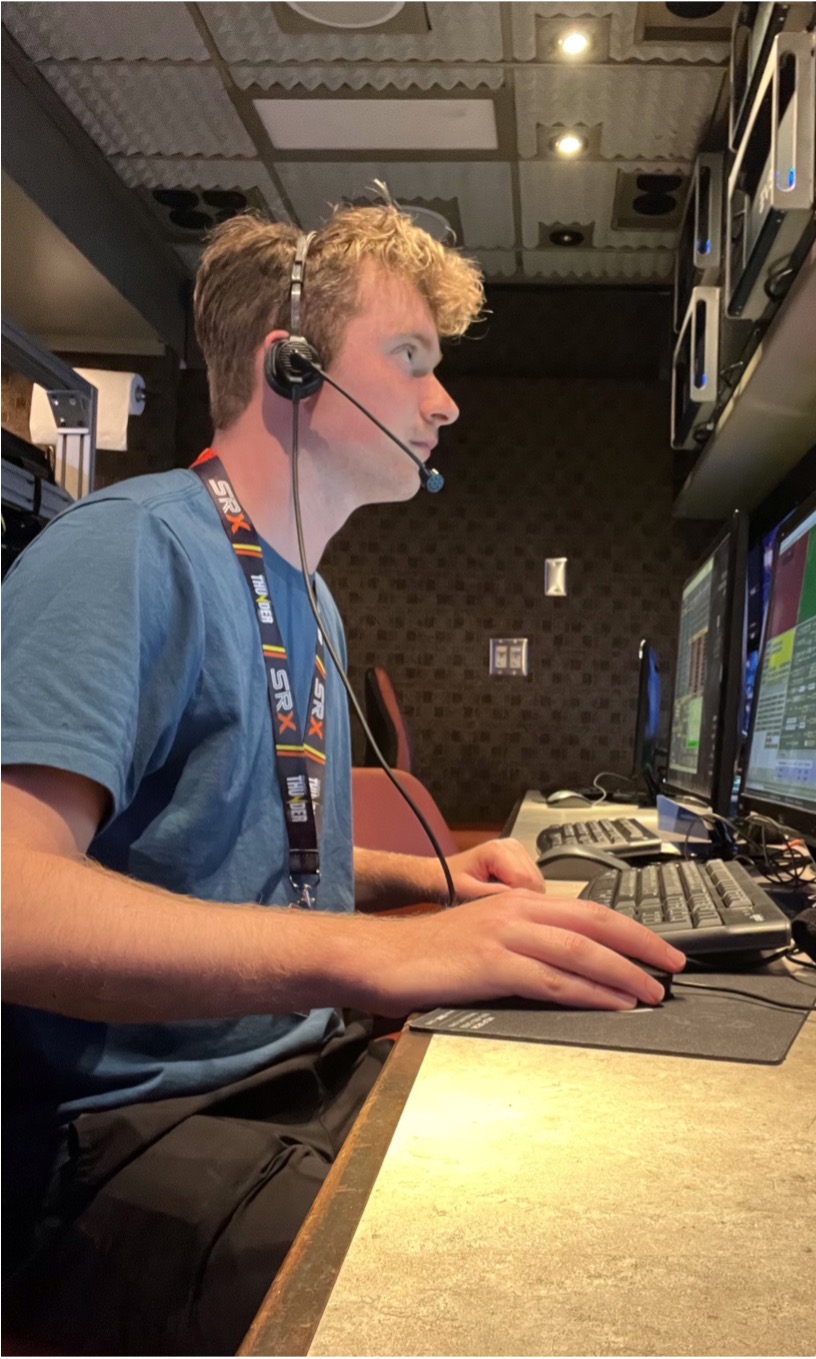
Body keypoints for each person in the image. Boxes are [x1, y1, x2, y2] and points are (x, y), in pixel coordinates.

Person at [1, 202, 686, 1354]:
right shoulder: (131, 550)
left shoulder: (309, 598)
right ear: (296, 368)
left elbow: (229, 849)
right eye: (411, 356)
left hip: (287, 1074)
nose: (444, 400)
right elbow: (13, 901)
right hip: (125, 1142)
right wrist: (373, 954)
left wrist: (429, 882)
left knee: (603, 1195)